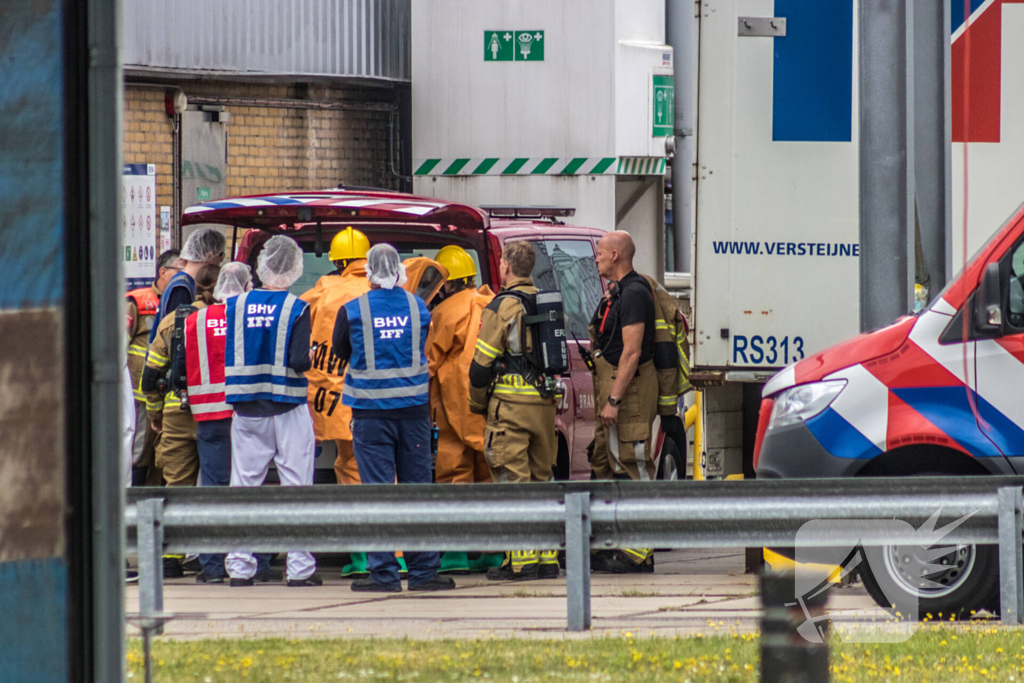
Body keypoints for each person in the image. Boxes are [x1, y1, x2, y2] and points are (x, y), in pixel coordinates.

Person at [332, 243, 455, 593]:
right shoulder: (419, 307)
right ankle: (423, 573)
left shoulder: (352, 310)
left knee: (377, 493)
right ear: (400, 270)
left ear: (368, 271)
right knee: (417, 490)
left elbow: (342, 351)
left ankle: (383, 575)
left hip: (370, 415)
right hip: (414, 412)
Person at [224, 236, 321, 588]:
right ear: (295, 267)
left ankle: (239, 567)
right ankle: (299, 569)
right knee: (297, 486)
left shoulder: (234, 304)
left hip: (247, 408)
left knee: (245, 486)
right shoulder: (297, 307)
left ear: (263, 265)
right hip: (288, 407)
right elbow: (298, 360)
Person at [177, 262, 281, 584]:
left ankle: (211, 566)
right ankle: (258, 562)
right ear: (247, 285)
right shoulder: (249, 318)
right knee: (251, 487)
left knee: (214, 490)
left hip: (208, 416)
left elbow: (180, 367)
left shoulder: (193, 321)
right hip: (246, 413)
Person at [468, 241, 559, 582]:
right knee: (543, 479)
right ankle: (548, 557)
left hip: (510, 411)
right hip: (545, 408)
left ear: (505, 265)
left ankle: (520, 561)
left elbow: (480, 367)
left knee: (511, 481)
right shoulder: (545, 301)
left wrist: (477, 404)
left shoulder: (502, 306)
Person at [300, 227, 372, 577]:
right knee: (384, 473)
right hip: (381, 401)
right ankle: (397, 552)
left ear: (339, 261)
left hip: (337, 400)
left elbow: (296, 322)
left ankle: (363, 556)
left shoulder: (324, 291)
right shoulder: (386, 290)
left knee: (351, 470)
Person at [140, 263, 220, 578]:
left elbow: (150, 375)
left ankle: (171, 558)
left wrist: (155, 414)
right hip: (216, 415)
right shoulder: (223, 320)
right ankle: (212, 557)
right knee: (216, 485)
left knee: (176, 487)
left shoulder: (172, 321)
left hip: (175, 415)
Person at [427, 245, 502, 575]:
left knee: (453, 476)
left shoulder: (443, 313)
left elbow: (430, 362)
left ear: (445, 283)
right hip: (490, 406)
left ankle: (455, 552)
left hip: (453, 409)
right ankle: (492, 550)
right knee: (488, 477)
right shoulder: (490, 302)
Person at [588, 231, 657, 573]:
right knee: (606, 464)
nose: (596, 257)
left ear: (615, 255)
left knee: (634, 465)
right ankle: (608, 546)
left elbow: (631, 352)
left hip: (628, 396)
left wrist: (614, 399)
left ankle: (639, 551)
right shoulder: (616, 293)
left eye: (600, 252)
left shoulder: (633, 293)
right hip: (613, 390)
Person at [126, 248, 180, 485]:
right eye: (179, 270)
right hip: (141, 398)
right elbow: (119, 345)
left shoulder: (182, 300)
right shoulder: (138, 301)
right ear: (163, 272)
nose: (184, 275)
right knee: (139, 454)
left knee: (165, 459)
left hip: (170, 399)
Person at [149, 227, 226, 343]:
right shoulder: (181, 288)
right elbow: (177, 336)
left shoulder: (183, 282)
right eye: (221, 255)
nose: (221, 261)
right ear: (209, 255)